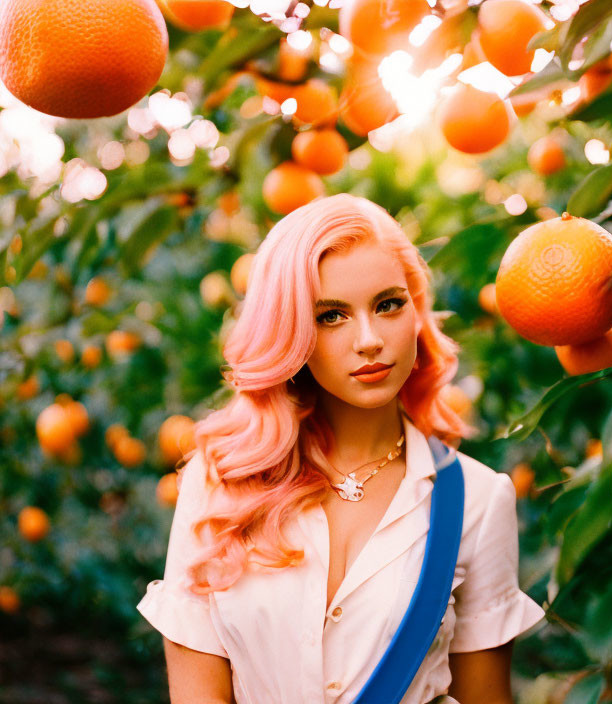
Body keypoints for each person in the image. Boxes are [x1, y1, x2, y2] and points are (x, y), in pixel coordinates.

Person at [136, 193, 547, 704]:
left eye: (389, 305)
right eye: (332, 315)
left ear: (416, 313)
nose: (370, 339)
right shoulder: (219, 480)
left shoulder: (479, 500)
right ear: (291, 332)